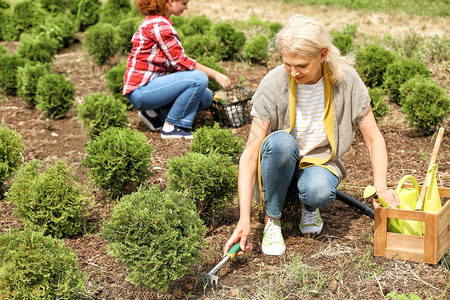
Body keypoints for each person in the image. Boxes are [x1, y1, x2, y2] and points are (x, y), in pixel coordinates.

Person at [223, 14, 399, 257]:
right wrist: (244, 219)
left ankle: (308, 204)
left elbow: (374, 138)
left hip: (319, 163)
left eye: (302, 66)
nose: (293, 72)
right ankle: (272, 219)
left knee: (319, 191)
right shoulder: (273, 83)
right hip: (278, 162)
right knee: (281, 142)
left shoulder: (347, 81)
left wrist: (381, 186)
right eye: (287, 64)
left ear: (322, 55)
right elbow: (251, 152)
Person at [122, 0, 231, 139]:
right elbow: (181, 62)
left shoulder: (156, 22)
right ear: (170, 2)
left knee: (206, 97)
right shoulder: (159, 25)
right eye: (184, 3)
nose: (186, 7)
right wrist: (216, 75)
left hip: (147, 88)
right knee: (199, 78)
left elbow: (174, 66)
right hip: (142, 90)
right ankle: (173, 126)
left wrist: (199, 88)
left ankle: (154, 114)